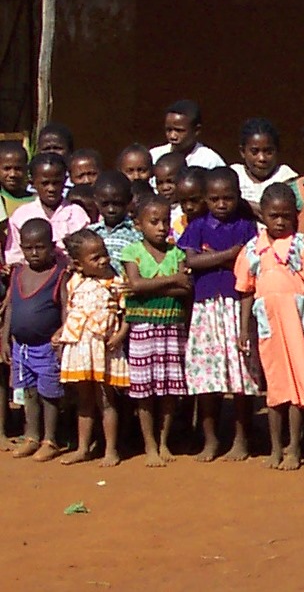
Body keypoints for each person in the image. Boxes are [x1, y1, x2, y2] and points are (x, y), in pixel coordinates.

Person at [178, 167, 260, 462]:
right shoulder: (198, 226)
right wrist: (228, 256)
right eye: (214, 199)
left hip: (237, 307)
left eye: (228, 198)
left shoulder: (245, 225)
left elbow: (248, 263)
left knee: (241, 379)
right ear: (205, 200)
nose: (222, 204)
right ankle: (210, 440)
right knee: (206, 380)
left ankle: (241, 439)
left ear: (239, 197)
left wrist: (211, 258)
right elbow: (192, 261)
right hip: (205, 309)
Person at [235, 184, 304, 471]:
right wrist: (245, 329)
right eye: (273, 216)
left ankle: (294, 447)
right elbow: (246, 290)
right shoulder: (252, 249)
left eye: (285, 216)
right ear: (263, 216)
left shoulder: (302, 245)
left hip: (297, 320)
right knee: (275, 386)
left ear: (295, 216)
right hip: (267, 323)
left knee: (297, 385)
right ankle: (275, 448)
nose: (280, 222)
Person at [120, 195, 193, 467]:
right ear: (139, 225)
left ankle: (164, 442)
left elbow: (186, 289)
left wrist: (152, 286)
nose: (162, 227)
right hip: (142, 328)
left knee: (168, 390)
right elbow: (135, 285)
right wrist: (173, 280)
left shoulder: (177, 253)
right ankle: (149, 444)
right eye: (154, 222)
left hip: (172, 328)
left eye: (165, 221)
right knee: (145, 391)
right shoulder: (132, 252)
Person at [54, 230, 128, 466]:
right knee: (84, 401)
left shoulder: (116, 282)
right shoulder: (73, 282)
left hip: (104, 348)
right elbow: (70, 310)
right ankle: (83, 447)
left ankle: (111, 450)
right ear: (78, 264)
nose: (103, 260)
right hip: (80, 348)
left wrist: (120, 334)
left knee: (106, 400)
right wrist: (62, 331)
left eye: (104, 254)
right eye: (95, 258)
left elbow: (127, 312)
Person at [2, 219, 67, 461]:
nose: (34, 253)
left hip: (47, 347)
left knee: (49, 393)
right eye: (28, 248)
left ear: (52, 246)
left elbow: (64, 309)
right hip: (21, 347)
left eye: (40, 247)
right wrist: (5, 339)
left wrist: (63, 333)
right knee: (28, 392)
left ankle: (50, 439)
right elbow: (10, 307)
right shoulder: (18, 272)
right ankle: (31, 436)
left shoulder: (59, 274)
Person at [6, 153, 89, 265]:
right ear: (33, 183)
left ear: (65, 181)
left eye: (56, 183)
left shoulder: (77, 215)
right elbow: (15, 257)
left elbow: (86, 253)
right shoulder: (21, 216)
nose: (51, 188)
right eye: (45, 183)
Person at [231, 118, 300, 219]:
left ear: (277, 150)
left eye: (268, 152)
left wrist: (242, 204)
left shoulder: (285, 176)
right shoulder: (234, 174)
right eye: (254, 152)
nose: (262, 158)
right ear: (242, 151)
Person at [89, 172, 142, 276]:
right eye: (105, 204)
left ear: (129, 200)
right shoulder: (91, 233)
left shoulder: (137, 233)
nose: (111, 209)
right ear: (96, 201)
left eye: (117, 203)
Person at [149, 100, 226, 171]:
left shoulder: (210, 161)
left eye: (179, 130)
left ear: (196, 130)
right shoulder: (155, 156)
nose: (172, 136)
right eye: (169, 130)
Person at [0, 140, 35, 219]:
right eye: (7, 169)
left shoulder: (37, 201)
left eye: (18, 169)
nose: (12, 174)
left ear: (26, 169)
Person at [173, 167, 208, 242]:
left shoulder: (220, 225)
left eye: (194, 200)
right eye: (183, 201)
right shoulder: (179, 225)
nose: (189, 207)